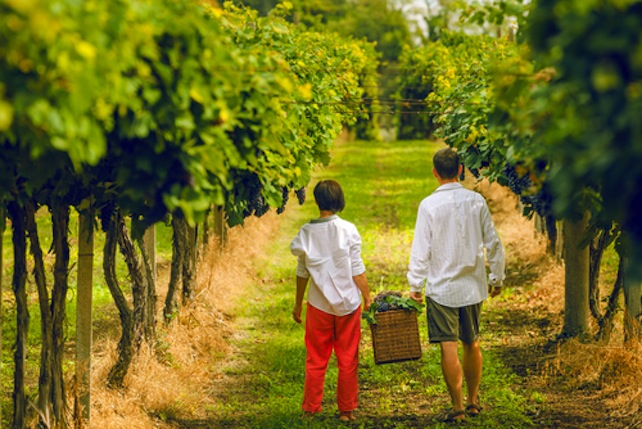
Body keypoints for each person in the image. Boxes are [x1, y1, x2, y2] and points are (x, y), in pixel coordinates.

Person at [407, 148, 505, 423]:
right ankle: (474, 401)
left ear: (434, 173)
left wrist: (416, 283)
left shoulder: (429, 205)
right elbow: (493, 243)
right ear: (461, 169)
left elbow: (421, 248)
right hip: (473, 286)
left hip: (442, 289)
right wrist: (496, 277)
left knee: (448, 346)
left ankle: (458, 407)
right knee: (472, 342)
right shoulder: (476, 202)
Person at [290, 179, 372, 422]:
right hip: (348, 304)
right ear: (339, 201)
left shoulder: (306, 232)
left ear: (317, 201)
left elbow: (302, 271)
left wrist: (298, 303)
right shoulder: (348, 229)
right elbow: (357, 269)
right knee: (348, 358)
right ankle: (346, 410)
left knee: (316, 358)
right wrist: (367, 296)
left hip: (318, 305)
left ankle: (310, 408)